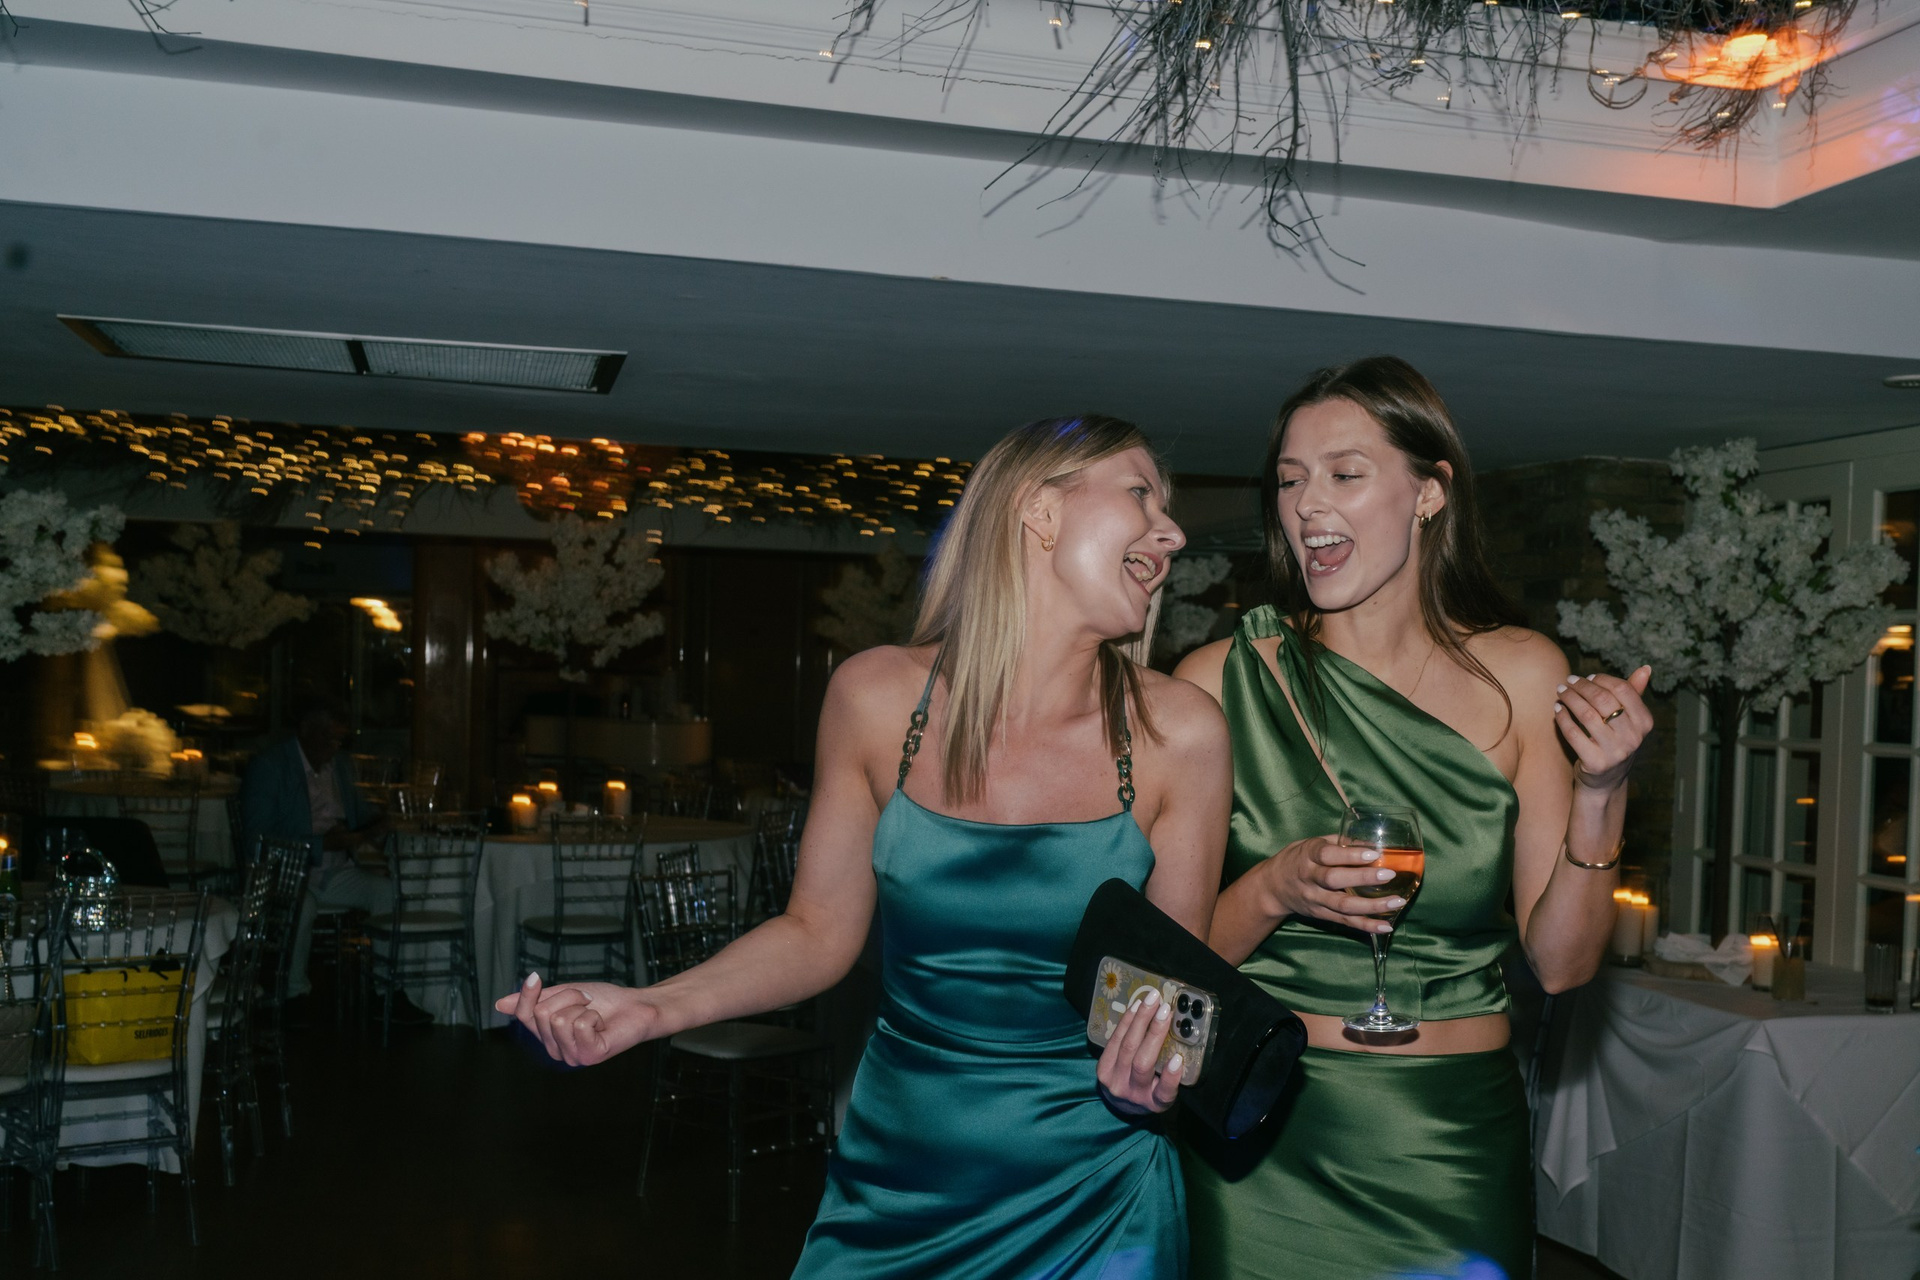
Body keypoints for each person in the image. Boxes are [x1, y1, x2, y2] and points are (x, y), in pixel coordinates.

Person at [500, 415, 1231, 1277]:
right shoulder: (877, 698)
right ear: (1038, 510)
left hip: (1097, 1193)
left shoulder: (1180, 733)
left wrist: (1153, 1082)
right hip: (899, 1181)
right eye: (1142, 494)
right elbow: (816, 931)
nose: (1172, 533)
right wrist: (650, 1007)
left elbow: (1176, 999)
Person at [1174, 357, 1652, 1280]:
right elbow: (1171, 965)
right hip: (1261, 1140)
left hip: (1447, 1139)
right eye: (1289, 480)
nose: (1307, 505)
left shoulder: (1523, 675)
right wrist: (1274, 886)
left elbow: (1562, 966)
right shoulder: (1218, 682)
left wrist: (1602, 792)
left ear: (1429, 493)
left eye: (1344, 473)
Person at [239, 700, 411, 1015]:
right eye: (328, 737)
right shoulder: (271, 766)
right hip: (284, 874)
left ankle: (387, 990)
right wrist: (322, 844)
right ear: (306, 730)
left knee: (388, 893)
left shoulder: (340, 766)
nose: (334, 747)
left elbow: (360, 815)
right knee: (302, 907)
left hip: (334, 870)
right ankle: (293, 995)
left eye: (339, 739)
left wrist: (379, 823)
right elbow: (257, 841)